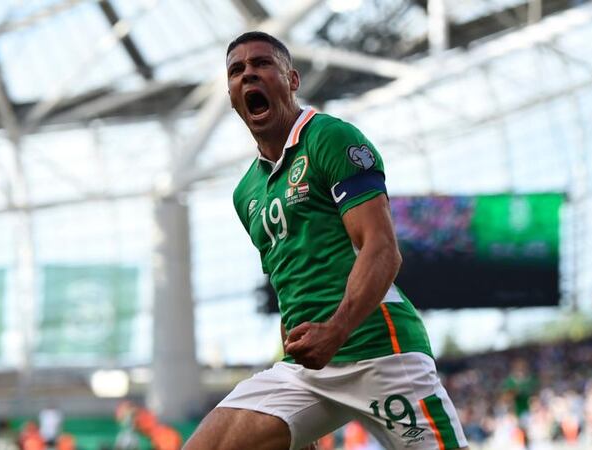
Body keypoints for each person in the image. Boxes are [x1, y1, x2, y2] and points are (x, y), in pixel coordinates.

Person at [183, 31, 469, 450]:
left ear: (292, 80)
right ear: (229, 94)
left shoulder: (330, 138)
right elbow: (288, 286)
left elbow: (382, 250)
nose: (248, 75)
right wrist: (302, 419)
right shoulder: (246, 193)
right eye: (236, 70)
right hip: (307, 370)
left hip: (381, 353)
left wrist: (336, 331)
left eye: (262, 64)